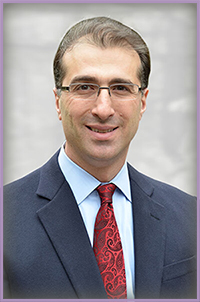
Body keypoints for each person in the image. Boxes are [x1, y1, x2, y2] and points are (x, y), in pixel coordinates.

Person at [3, 16, 197, 299]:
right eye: (85, 87)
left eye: (121, 88)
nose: (104, 109)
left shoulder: (190, 216)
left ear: (142, 103)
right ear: (58, 102)